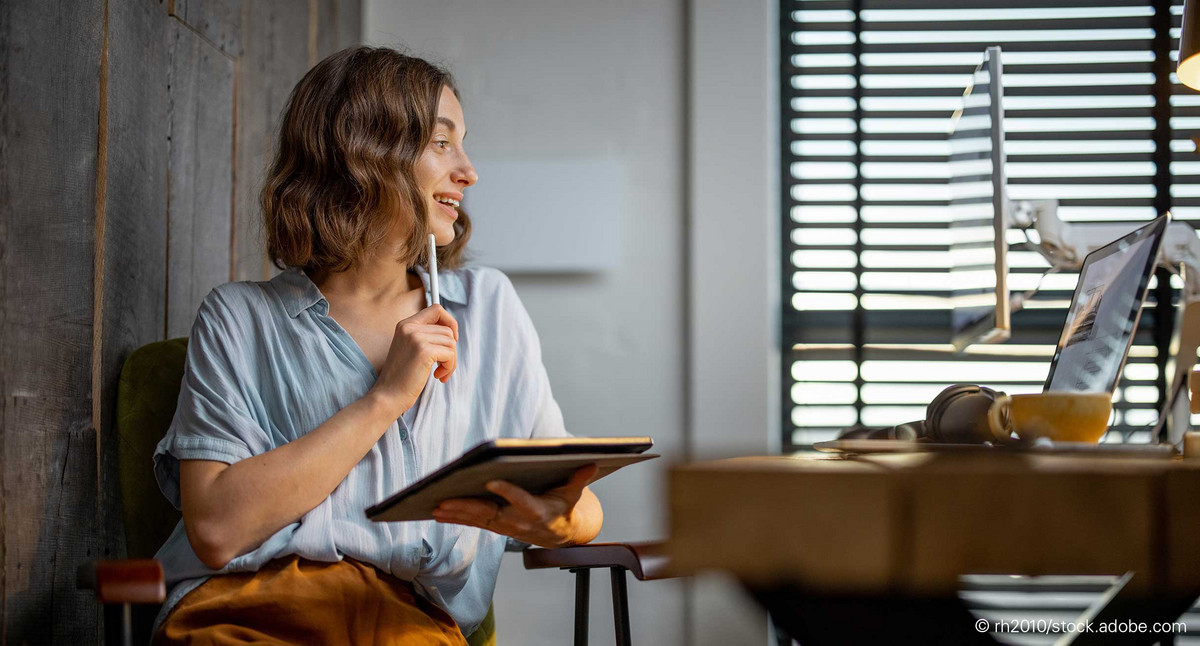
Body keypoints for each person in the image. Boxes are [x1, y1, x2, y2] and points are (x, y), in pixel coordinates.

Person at [150, 46, 603, 644]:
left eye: (462, 143)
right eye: (442, 143)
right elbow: (214, 529)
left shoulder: (489, 308)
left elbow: (573, 492)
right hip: (241, 613)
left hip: (409, 623)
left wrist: (563, 519)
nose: (468, 171)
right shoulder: (239, 318)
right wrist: (386, 397)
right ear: (363, 153)